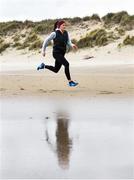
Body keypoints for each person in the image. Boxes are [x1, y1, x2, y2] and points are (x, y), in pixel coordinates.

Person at [37, 20, 78, 87]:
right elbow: (46, 41)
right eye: (63, 25)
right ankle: (70, 82)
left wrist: (72, 45)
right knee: (66, 64)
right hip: (56, 53)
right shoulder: (54, 33)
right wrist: (43, 51)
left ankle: (43, 66)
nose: (64, 26)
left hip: (62, 53)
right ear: (59, 26)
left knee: (56, 70)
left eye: (65, 25)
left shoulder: (66, 33)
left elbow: (68, 42)